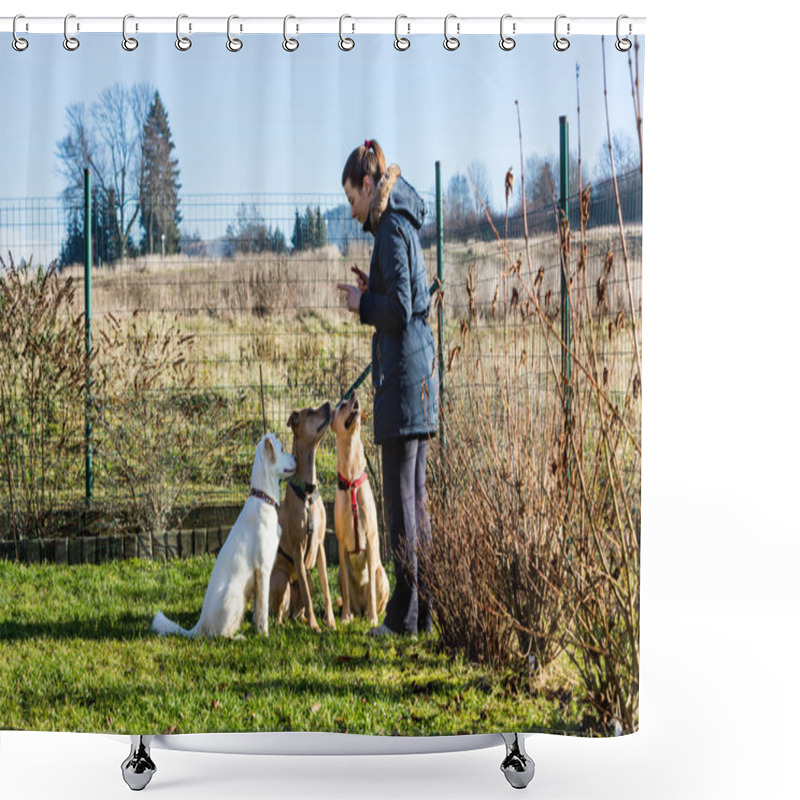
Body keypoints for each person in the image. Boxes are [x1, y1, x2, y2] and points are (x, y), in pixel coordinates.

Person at [337, 139, 438, 637]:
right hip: (415, 372)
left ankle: (401, 618)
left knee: (402, 507)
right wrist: (371, 290)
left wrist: (363, 304)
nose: (351, 208)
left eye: (352, 196)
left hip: (403, 377)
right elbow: (403, 297)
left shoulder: (391, 228)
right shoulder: (399, 223)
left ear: (369, 185)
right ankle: (422, 613)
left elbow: (398, 309)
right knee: (415, 501)